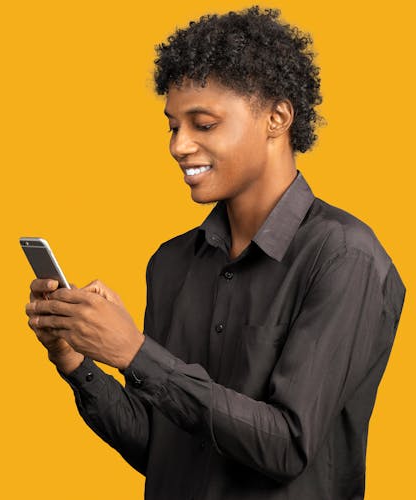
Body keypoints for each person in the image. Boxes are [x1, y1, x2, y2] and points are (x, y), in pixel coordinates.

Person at [24, 6, 405, 500]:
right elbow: (160, 450)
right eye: (172, 126)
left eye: (202, 124)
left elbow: (288, 445)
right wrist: (76, 360)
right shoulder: (171, 264)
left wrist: (136, 352)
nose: (179, 145)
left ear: (278, 118)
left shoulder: (343, 258)